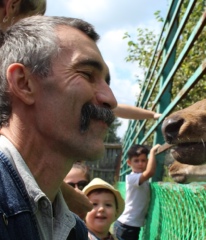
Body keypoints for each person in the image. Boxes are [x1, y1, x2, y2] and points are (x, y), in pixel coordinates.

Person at [0, 15, 118, 240]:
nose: (110, 99)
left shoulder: (75, 230)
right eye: (86, 74)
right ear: (24, 83)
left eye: (106, 82)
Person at [114, 144, 160, 240]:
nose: (140, 164)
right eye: (136, 161)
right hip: (126, 225)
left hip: (131, 225)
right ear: (129, 163)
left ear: (147, 162)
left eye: (143, 160)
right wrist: (152, 152)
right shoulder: (132, 178)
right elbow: (150, 172)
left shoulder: (142, 179)